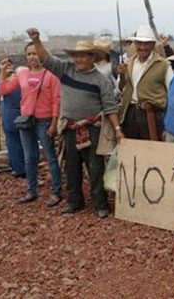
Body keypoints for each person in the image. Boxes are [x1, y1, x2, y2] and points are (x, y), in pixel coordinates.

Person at [26, 28, 123, 219]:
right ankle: (74, 202)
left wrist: (117, 130)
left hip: (92, 129)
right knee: (71, 167)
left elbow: (110, 107)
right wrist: (36, 40)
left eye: (83, 57)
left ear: (92, 58)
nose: (78, 60)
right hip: (69, 128)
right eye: (76, 57)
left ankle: (100, 204)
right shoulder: (65, 70)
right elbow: (46, 58)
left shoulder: (101, 80)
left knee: (95, 168)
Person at [0, 42, 62, 206]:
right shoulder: (22, 74)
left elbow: (57, 100)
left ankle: (56, 192)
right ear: (25, 57)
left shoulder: (51, 74)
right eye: (29, 54)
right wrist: (2, 72)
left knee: (50, 157)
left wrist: (54, 123)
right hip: (26, 120)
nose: (32, 57)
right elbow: (4, 90)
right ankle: (31, 190)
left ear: (41, 54)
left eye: (35, 53)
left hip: (45, 120)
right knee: (29, 157)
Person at [117, 25, 174, 141]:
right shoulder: (128, 63)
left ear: (153, 45)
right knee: (131, 150)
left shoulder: (163, 65)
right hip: (130, 113)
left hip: (153, 115)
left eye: (146, 44)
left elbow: (172, 92)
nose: (142, 47)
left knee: (152, 152)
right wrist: (122, 74)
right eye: (139, 44)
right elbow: (120, 88)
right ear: (135, 44)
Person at [0, 58, 25, 178]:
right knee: (12, 141)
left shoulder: (19, 77)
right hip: (8, 111)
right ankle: (17, 167)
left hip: (21, 111)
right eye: (4, 64)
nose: (7, 66)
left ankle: (23, 167)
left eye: (9, 64)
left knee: (22, 140)